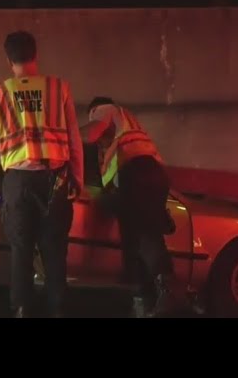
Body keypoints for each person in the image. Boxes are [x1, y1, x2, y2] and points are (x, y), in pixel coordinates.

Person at [0, 30, 83, 318]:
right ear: (36, 54)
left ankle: (23, 309)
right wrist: (77, 177)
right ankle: (58, 309)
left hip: (17, 179)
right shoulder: (58, 88)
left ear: (8, 60)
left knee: (21, 250)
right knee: (54, 250)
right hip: (55, 178)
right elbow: (74, 138)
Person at [80, 96, 177, 318]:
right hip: (151, 175)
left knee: (144, 232)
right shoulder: (126, 129)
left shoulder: (105, 109)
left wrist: (62, 137)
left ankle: (166, 290)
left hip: (138, 174)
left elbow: (91, 133)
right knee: (136, 233)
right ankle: (147, 297)